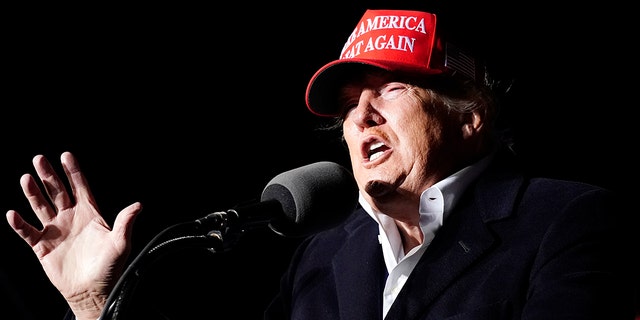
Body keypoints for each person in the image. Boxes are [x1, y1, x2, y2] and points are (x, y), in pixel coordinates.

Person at [5, 7, 638, 320]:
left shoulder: (567, 219)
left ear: (470, 114)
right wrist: (94, 306)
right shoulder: (321, 254)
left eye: (388, 91)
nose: (360, 117)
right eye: (346, 107)